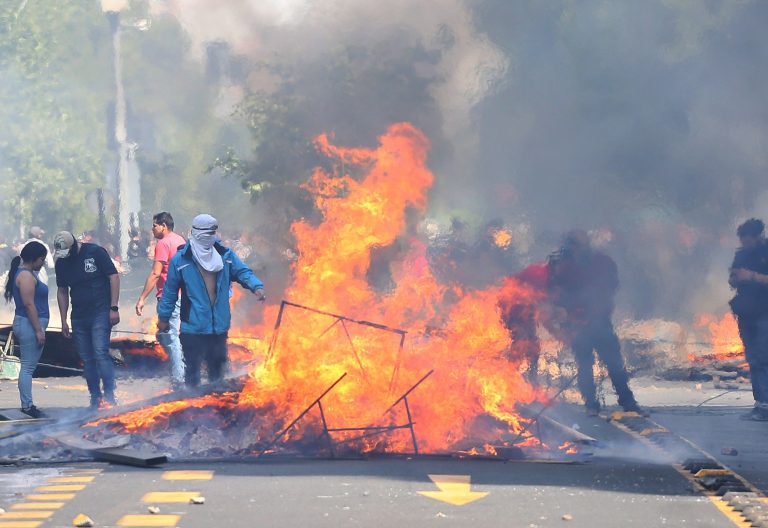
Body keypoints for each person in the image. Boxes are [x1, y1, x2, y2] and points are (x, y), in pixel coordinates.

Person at [157, 214, 265, 387]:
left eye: (213, 232)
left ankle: (216, 411)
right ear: (195, 232)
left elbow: (243, 272)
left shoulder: (225, 256)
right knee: (193, 374)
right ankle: (191, 409)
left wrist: (256, 287)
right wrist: (163, 318)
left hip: (218, 328)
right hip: (193, 328)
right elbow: (169, 292)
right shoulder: (181, 260)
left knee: (217, 374)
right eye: (206, 232)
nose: (210, 236)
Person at [547, 229, 644, 416]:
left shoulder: (601, 262)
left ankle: (627, 402)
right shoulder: (564, 267)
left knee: (614, 364)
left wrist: (593, 310)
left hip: (599, 322)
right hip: (578, 325)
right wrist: (571, 315)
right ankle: (592, 404)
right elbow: (557, 295)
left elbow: (610, 287)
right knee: (585, 365)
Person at [54, 231, 120, 410]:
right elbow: (62, 291)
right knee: (87, 359)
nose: (66, 257)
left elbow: (113, 277)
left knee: (100, 353)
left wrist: (113, 307)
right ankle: (95, 397)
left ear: (75, 244)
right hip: (79, 316)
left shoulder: (95, 253)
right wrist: (63, 320)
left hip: (100, 312)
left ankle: (109, 395)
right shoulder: (61, 263)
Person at [135, 212, 186, 389]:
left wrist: (142, 298)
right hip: (183, 294)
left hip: (168, 296)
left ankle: (179, 379)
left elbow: (156, 273)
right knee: (166, 335)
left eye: (154, 225)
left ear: (163, 226)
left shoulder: (163, 244)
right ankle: (180, 369)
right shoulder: (180, 240)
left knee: (170, 336)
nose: (152, 229)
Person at [4, 242, 50, 418]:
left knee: (28, 366)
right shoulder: (26, 276)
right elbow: (29, 305)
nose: (43, 263)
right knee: (28, 367)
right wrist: (38, 330)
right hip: (30, 324)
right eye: (41, 259)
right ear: (34, 258)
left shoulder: (27, 274)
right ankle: (27, 405)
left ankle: (27, 404)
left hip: (29, 323)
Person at [728, 218, 768, 421]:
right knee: (753, 360)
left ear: (758, 236)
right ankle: (760, 404)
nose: (744, 244)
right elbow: (732, 278)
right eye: (742, 240)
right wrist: (735, 278)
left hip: (764, 313)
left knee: (764, 359)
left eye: (748, 240)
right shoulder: (741, 254)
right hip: (746, 314)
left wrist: (751, 276)